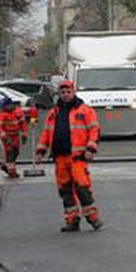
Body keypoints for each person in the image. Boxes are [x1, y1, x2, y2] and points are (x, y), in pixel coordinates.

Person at [35, 80, 103, 232]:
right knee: (65, 191)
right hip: (60, 158)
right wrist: (40, 151)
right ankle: (72, 220)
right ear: (59, 94)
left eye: (68, 92)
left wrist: (91, 149)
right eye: (63, 93)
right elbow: (46, 133)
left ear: (73, 92)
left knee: (82, 189)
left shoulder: (85, 110)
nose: (65, 95)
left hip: (77, 157)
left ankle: (93, 218)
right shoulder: (54, 112)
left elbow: (95, 130)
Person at [0, 98, 27, 178]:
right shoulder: (1, 113)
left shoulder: (18, 112)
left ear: (11, 105)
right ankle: (12, 172)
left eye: (5, 106)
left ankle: (6, 165)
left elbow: (22, 123)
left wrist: (24, 134)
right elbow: (0, 127)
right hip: (7, 135)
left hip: (15, 135)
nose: (3, 108)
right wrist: (5, 138)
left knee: (16, 152)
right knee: (10, 153)